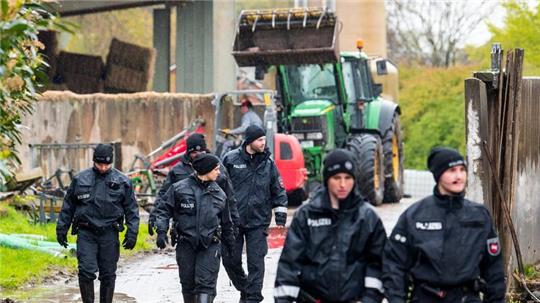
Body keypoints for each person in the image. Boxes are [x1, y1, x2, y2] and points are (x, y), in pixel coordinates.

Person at [382, 147, 506, 303]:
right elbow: (394, 265)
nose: (459, 176)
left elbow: (493, 269)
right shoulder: (414, 216)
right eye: (452, 170)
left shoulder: (479, 216)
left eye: (462, 170)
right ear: (438, 174)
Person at [274, 149, 387, 303]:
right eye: (336, 178)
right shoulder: (306, 215)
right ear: (327, 179)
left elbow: (378, 264)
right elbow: (289, 265)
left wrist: (369, 299)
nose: (342, 184)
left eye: (348, 178)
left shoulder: (367, 217)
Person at [148, 133, 247, 295]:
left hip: (210, 239)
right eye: (194, 152)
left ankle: (247, 291)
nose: (197, 155)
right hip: (186, 235)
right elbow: (164, 201)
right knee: (188, 285)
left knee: (206, 284)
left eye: (200, 151)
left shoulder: (217, 172)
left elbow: (229, 202)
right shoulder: (178, 176)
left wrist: (232, 234)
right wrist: (159, 225)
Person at [56, 144, 140, 303]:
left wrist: (132, 232)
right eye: (99, 164)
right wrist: (62, 228)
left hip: (109, 233)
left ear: (111, 163)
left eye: (106, 165)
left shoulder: (122, 181)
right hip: (86, 232)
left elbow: (131, 209)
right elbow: (68, 206)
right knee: (86, 272)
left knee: (108, 274)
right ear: (94, 161)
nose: (103, 168)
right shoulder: (80, 179)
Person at [153, 153, 235, 303]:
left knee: (206, 285)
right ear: (206, 170)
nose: (219, 172)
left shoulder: (219, 194)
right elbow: (163, 210)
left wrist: (230, 245)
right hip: (186, 244)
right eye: (216, 169)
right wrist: (161, 231)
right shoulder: (179, 189)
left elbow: (227, 222)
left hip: (210, 245)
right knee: (188, 284)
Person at [222, 124, 288, 303]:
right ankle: (246, 289)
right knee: (230, 260)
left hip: (258, 222)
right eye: (260, 140)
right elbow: (218, 187)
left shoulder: (268, 163)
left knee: (256, 263)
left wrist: (280, 214)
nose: (263, 143)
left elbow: (278, 189)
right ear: (250, 141)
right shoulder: (230, 159)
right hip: (233, 221)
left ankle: (252, 298)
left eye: (264, 139)